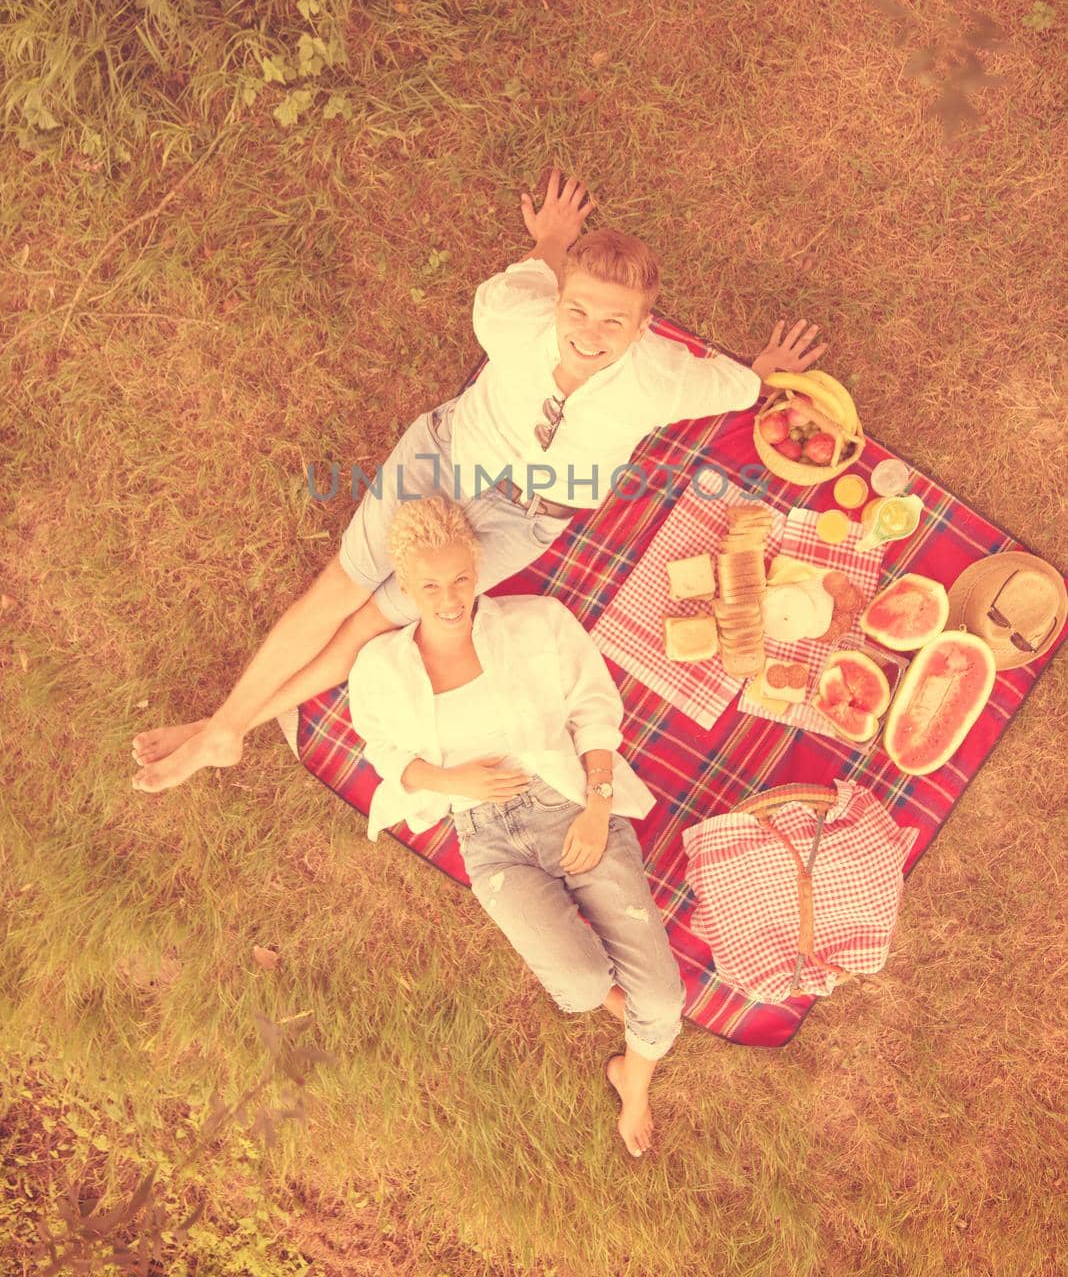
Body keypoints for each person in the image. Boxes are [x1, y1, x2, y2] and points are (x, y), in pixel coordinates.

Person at [132, 168, 824, 792]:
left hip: (523, 520)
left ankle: (227, 731)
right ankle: (224, 726)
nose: (589, 333)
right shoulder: (510, 315)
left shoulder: (665, 378)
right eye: (576, 310)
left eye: (616, 322)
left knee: (375, 620)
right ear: (557, 301)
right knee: (340, 585)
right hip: (442, 459)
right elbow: (533, 271)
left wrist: (764, 366)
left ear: (647, 328)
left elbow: (735, 387)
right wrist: (553, 237)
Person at [352, 494, 684, 1158]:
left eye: (460, 580)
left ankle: (634, 1081)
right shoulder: (379, 668)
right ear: (404, 585)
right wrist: (453, 782)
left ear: (478, 570)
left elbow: (594, 712)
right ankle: (630, 1016)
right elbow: (385, 754)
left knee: (668, 999)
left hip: (566, 801)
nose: (449, 600)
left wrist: (596, 807)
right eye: (428, 586)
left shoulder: (539, 623)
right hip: (489, 841)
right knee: (583, 988)